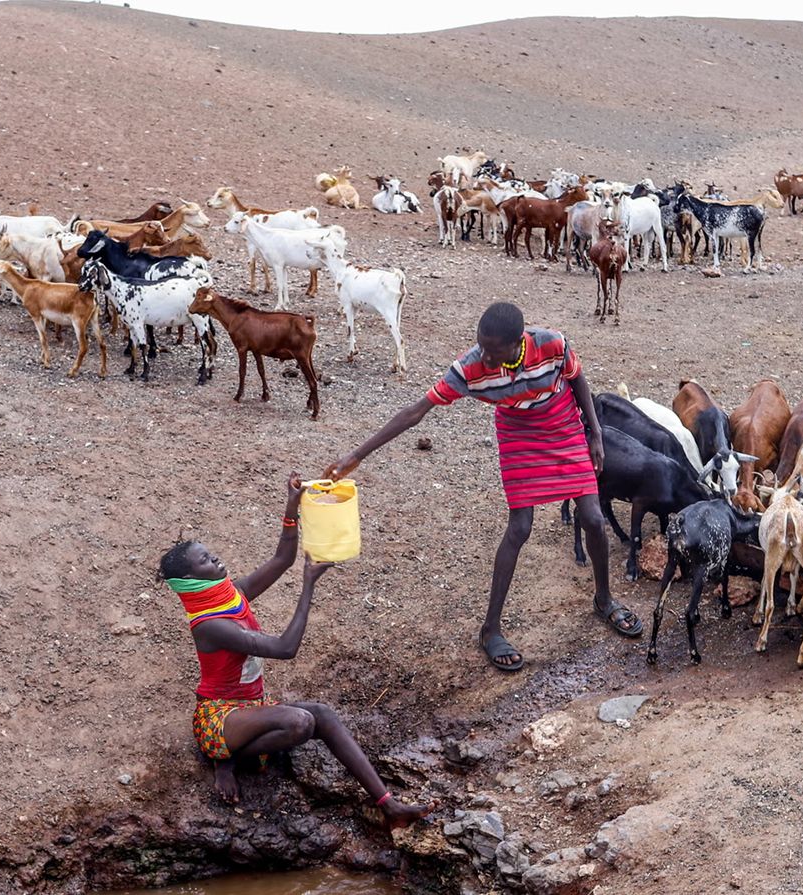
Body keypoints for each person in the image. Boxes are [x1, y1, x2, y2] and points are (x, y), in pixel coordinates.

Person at [322, 301, 639, 673]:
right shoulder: (470, 367)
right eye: (481, 347)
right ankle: (490, 630)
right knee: (520, 527)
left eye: (494, 351)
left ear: (518, 341)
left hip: (562, 423)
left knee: (593, 518)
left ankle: (604, 599)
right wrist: (355, 455)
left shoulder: (552, 344)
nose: (486, 357)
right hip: (518, 433)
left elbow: (577, 380)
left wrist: (595, 432)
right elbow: (415, 412)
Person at [162, 474, 429, 827]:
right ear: (192, 580)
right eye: (206, 561)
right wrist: (308, 587)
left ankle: (388, 804)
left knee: (323, 714)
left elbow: (283, 559)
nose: (217, 560)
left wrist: (292, 506)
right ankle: (224, 757)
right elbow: (285, 648)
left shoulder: (233, 595)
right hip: (217, 718)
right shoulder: (209, 625)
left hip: (250, 708)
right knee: (300, 723)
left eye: (211, 554)